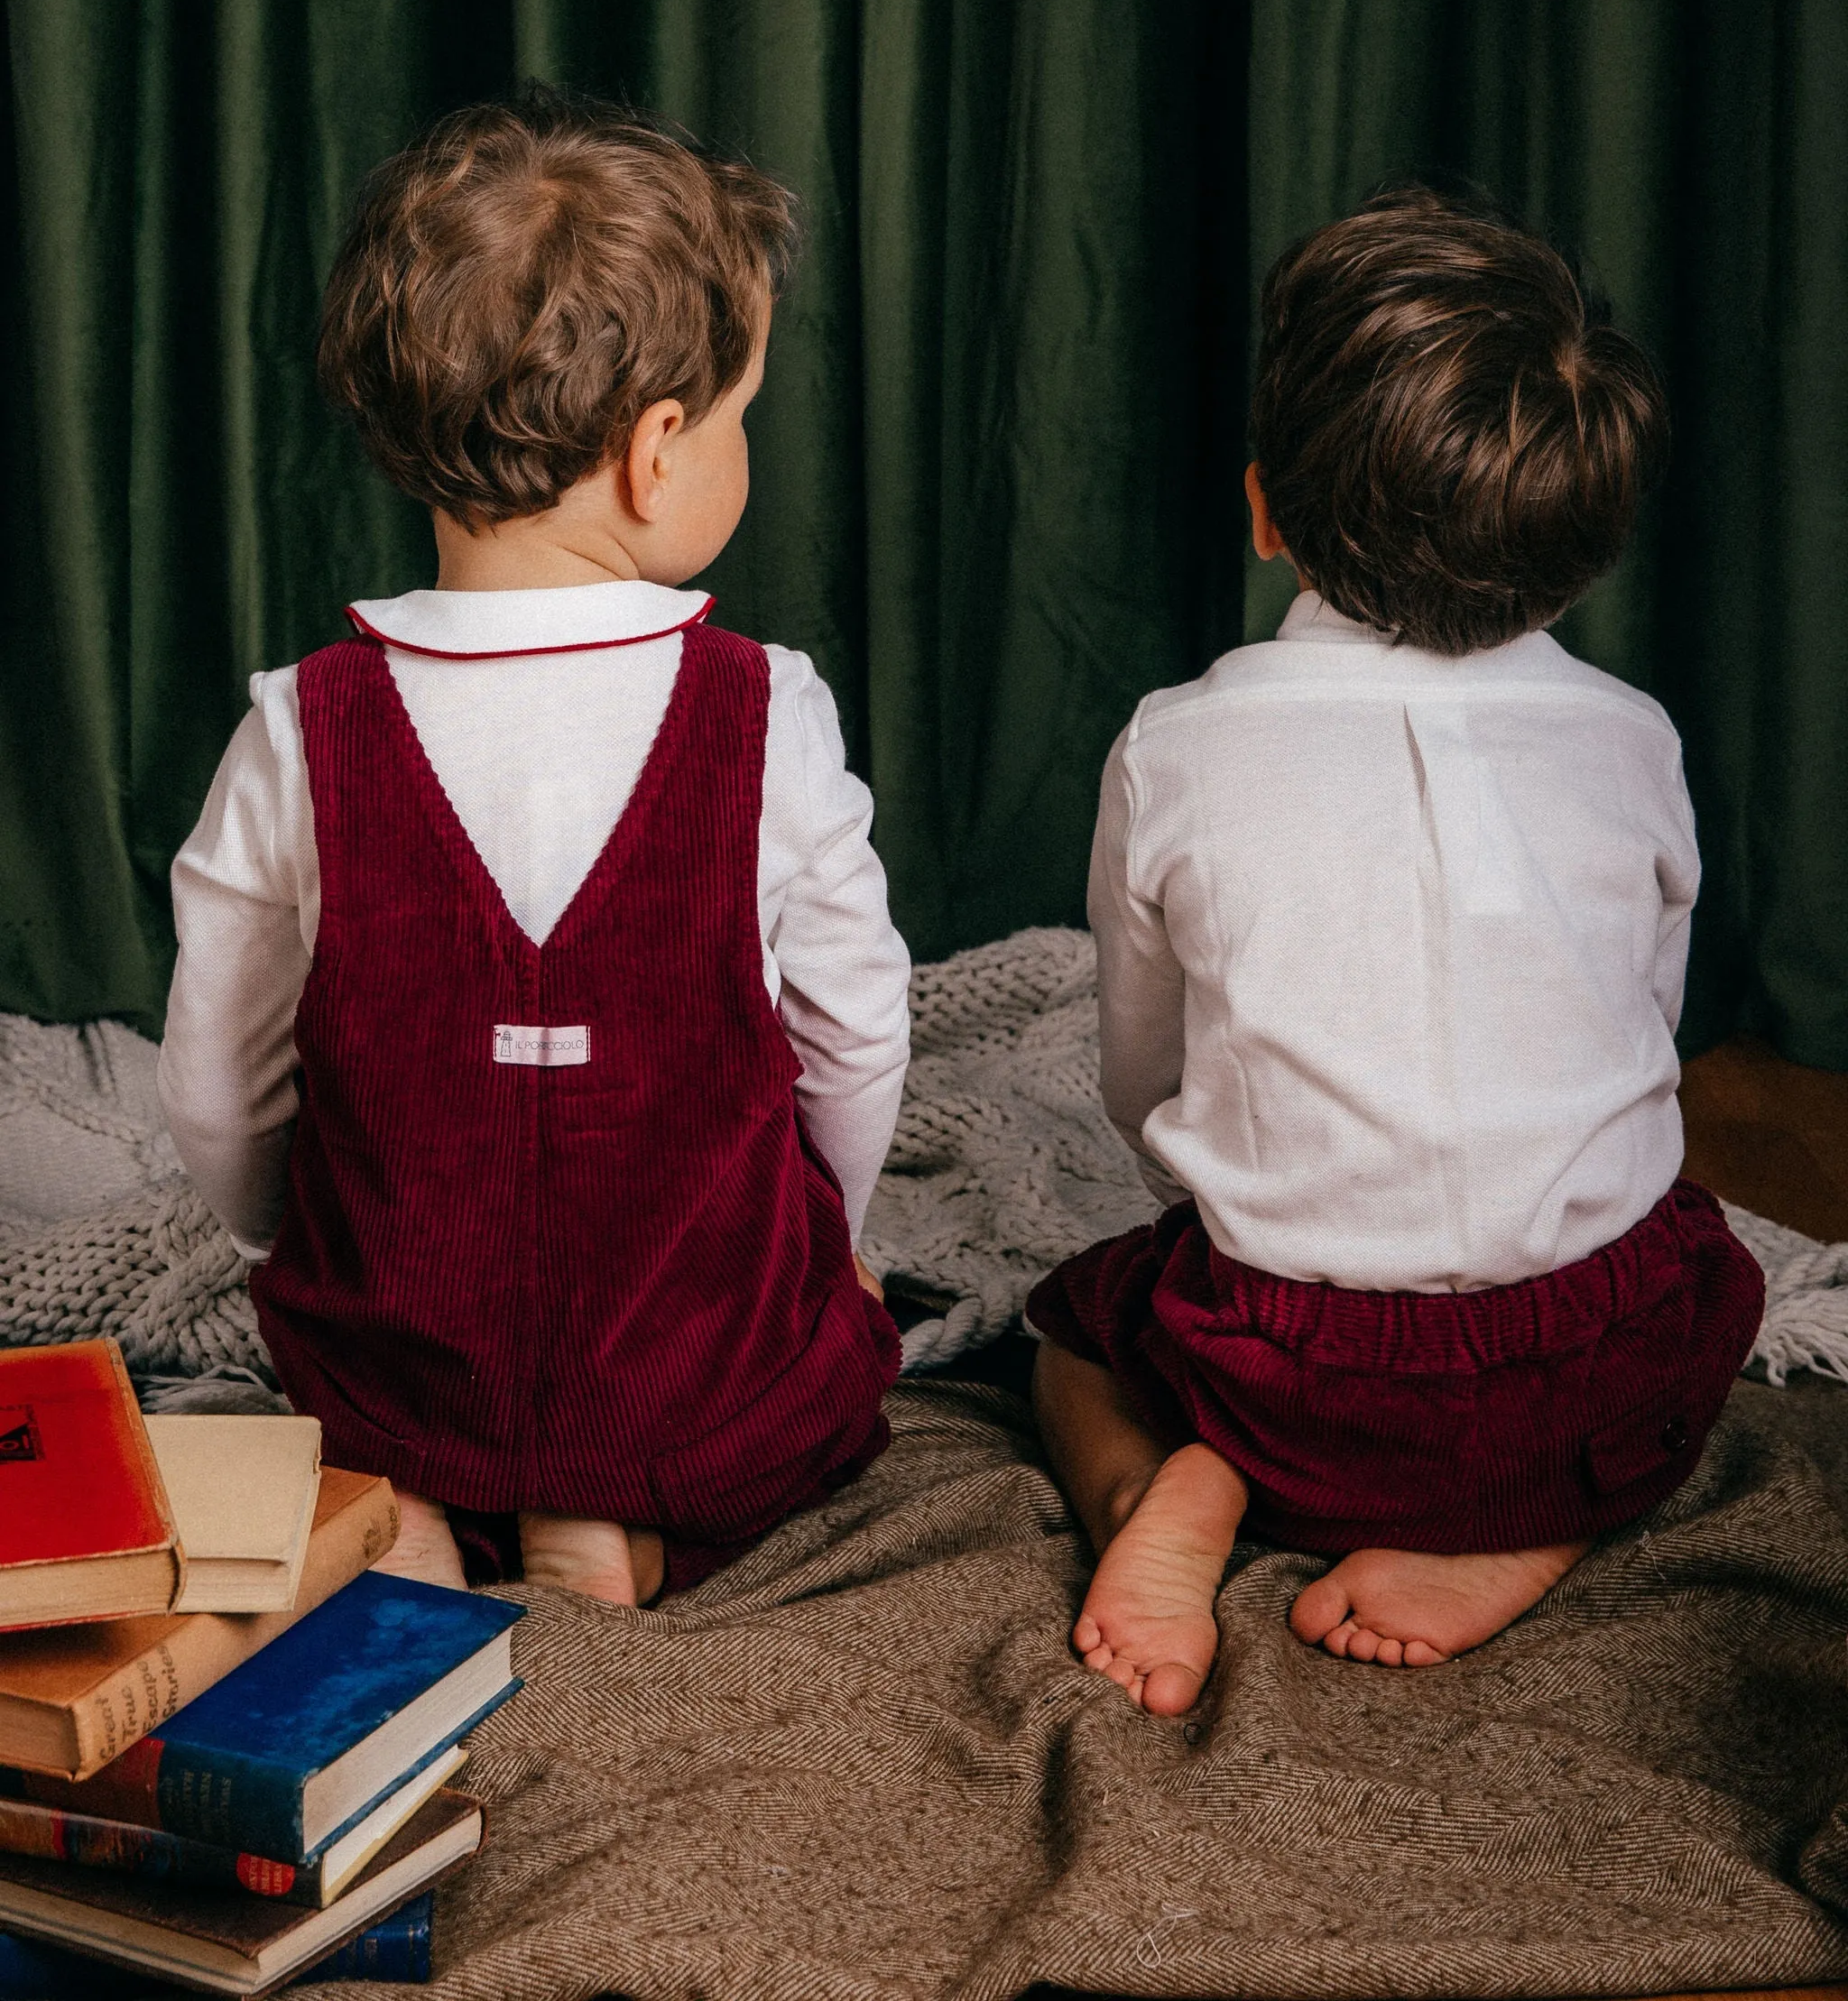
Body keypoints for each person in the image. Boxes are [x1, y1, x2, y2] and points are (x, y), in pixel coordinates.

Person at [158, 90, 909, 1605]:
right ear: (655, 455)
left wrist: (272, 1254)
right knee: (794, 1354)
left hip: (396, 1353)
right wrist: (828, 1239)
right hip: (699, 1375)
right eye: (740, 419)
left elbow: (219, 1078)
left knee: (389, 1399)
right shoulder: (765, 712)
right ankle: (596, 1517)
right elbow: (856, 1033)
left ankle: (418, 1496)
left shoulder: (304, 726)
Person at [1027, 186, 1764, 1712]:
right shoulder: (1634, 739)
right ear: (1582, 546)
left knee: (1075, 1332)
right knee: (1705, 1282)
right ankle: (1534, 1522)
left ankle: (1167, 1499)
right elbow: (1643, 1036)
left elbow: (1143, 1079)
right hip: (1585, 1364)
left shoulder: (1181, 747)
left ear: (1262, 511)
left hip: (1294, 1376)